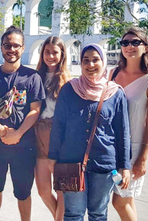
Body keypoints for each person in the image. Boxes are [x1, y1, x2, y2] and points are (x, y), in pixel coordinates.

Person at [49, 43, 131, 221]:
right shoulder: (70, 89)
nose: (90, 65)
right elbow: (58, 126)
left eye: (95, 60)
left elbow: (123, 132)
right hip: (71, 162)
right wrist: (52, 157)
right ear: (80, 63)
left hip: (104, 163)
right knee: (73, 214)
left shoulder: (115, 93)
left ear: (103, 62)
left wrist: (125, 166)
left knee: (99, 213)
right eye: (86, 60)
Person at [0, 25, 46, 221]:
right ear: (1, 47)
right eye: (7, 45)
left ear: (23, 48)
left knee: (23, 191)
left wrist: (18, 133)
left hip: (24, 146)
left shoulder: (32, 77)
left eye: (16, 45)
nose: (11, 50)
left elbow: (35, 109)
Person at [111, 28, 148, 221]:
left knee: (119, 201)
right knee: (128, 199)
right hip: (111, 146)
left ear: (145, 47)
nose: (129, 47)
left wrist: (143, 158)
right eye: (124, 43)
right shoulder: (113, 73)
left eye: (135, 42)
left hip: (133, 149)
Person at [35, 36, 70, 221]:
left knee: (61, 191)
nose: (50, 56)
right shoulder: (36, 77)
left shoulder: (67, 81)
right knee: (43, 190)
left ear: (62, 54)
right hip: (39, 133)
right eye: (47, 52)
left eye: (55, 52)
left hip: (59, 136)